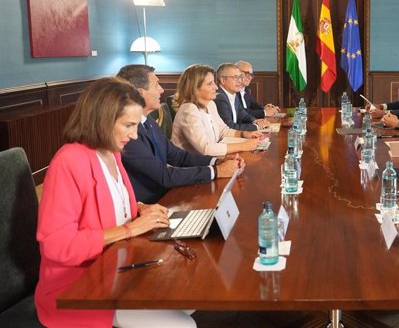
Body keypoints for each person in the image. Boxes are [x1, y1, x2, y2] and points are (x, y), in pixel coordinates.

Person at [35, 78, 196, 328]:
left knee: (188, 297)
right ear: (103, 120)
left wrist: (141, 209)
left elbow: (112, 206)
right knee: (183, 324)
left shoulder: (112, 151)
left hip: (118, 267)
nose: (134, 135)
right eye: (129, 125)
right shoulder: (68, 162)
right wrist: (132, 228)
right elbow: (56, 245)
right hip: (80, 286)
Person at [117, 64, 244, 203]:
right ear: (140, 92)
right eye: (156, 85)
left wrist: (217, 161)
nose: (162, 89)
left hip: (168, 193)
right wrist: (217, 171)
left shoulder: (148, 122)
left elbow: (177, 156)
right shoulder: (126, 134)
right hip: (153, 204)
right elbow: (164, 176)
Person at [171, 63, 263, 156]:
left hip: (206, 161)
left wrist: (244, 134)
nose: (216, 87)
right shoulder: (189, 110)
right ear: (195, 88)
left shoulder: (210, 104)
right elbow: (205, 148)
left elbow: (223, 131)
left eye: (214, 82)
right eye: (210, 83)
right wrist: (243, 145)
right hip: (189, 167)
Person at [215, 63, 271, 131]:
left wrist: (255, 121)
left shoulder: (232, 94)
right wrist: (256, 126)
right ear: (223, 80)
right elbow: (229, 126)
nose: (239, 81)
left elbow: (242, 114)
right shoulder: (219, 98)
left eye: (240, 77)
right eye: (235, 77)